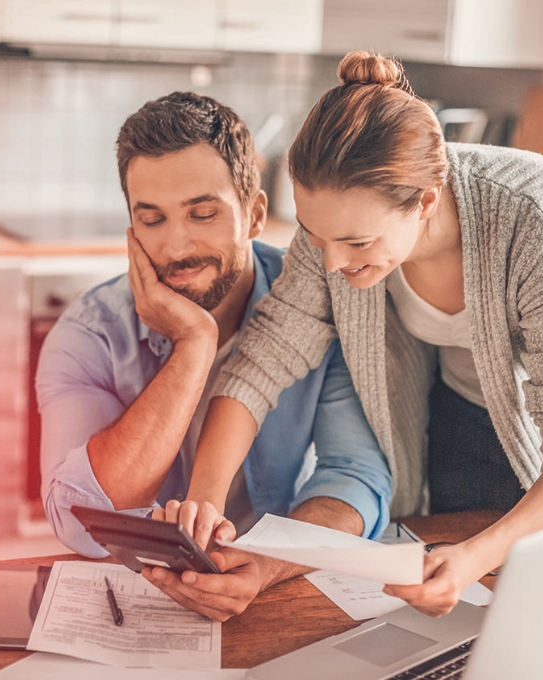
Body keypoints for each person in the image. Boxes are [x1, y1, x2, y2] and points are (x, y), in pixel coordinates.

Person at [164, 52, 543, 618]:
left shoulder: (537, 218)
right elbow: (263, 359)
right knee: (474, 618)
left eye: (355, 243)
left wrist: (472, 557)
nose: (330, 264)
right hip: (462, 411)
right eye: (314, 235)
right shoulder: (336, 226)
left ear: (425, 202)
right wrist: (202, 503)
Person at [36, 91, 392, 620]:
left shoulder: (319, 310)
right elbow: (79, 519)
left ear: (254, 215)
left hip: (277, 583)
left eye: (202, 214)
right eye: (152, 220)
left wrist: (267, 563)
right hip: (140, 601)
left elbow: (355, 479)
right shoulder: (91, 334)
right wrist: (194, 346)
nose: (177, 247)